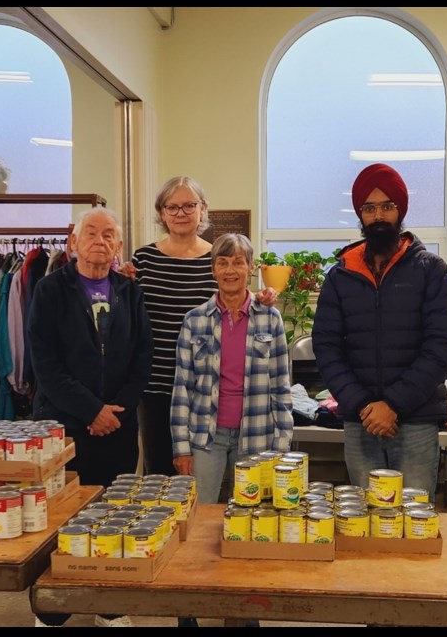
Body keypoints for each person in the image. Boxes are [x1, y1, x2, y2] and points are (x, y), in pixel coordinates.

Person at [27, 207, 152, 628]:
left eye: (109, 234)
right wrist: (91, 410)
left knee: (114, 513)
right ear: (73, 242)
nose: (100, 240)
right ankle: (53, 611)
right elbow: (45, 365)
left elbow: (143, 357)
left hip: (117, 426)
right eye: (91, 233)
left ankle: (110, 606)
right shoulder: (49, 290)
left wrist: (115, 410)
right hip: (64, 426)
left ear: (118, 245)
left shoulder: (130, 292)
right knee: (60, 519)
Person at [312, 163, 447, 498]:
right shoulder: (340, 275)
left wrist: (392, 405)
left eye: (387, 206)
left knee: (415, 521)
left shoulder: (430, 270)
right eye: (370, 208)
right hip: (360, 420)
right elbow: (326, 347)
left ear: (400, 211)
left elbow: (441, 346)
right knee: (364, 520)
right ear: (360, 215)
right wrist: (364, 406)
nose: (378, 215)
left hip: (416, 420)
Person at [127, 176, 276, 477]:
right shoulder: (143, 259)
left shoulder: (216, 258)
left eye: (188, 205)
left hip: (205, 388)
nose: (180, 213)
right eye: (172, 207)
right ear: (162, 212)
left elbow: (236, 297)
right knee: (159, 471)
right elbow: (126, 314)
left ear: (202, 209)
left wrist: (265, 297)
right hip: (156, 384)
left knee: (203, 477)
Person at [171, 233, 294, 505]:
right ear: (213, 269)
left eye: (238, 262)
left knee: (250, 514)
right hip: (205, 437)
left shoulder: (269, 319)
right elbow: (182, 389)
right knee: (199, 512)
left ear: (250, 268)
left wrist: (282, 445)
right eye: (223, 262)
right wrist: (181, 447)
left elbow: (281, 386)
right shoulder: (194, 321)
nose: (230, 270)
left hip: (257, 434)